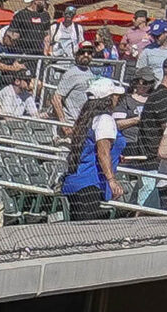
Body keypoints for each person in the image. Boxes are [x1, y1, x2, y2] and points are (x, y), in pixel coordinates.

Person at [60, 79, 127, 218]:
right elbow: (102, 152)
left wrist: (115, 155)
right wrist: (112, 181)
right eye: (115, 95)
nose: (118, 99)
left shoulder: (87, 118)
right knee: (87, 233)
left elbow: (92, 148)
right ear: (108, 99)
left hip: (77, 183)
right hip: (91, 185)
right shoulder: (105, 119)